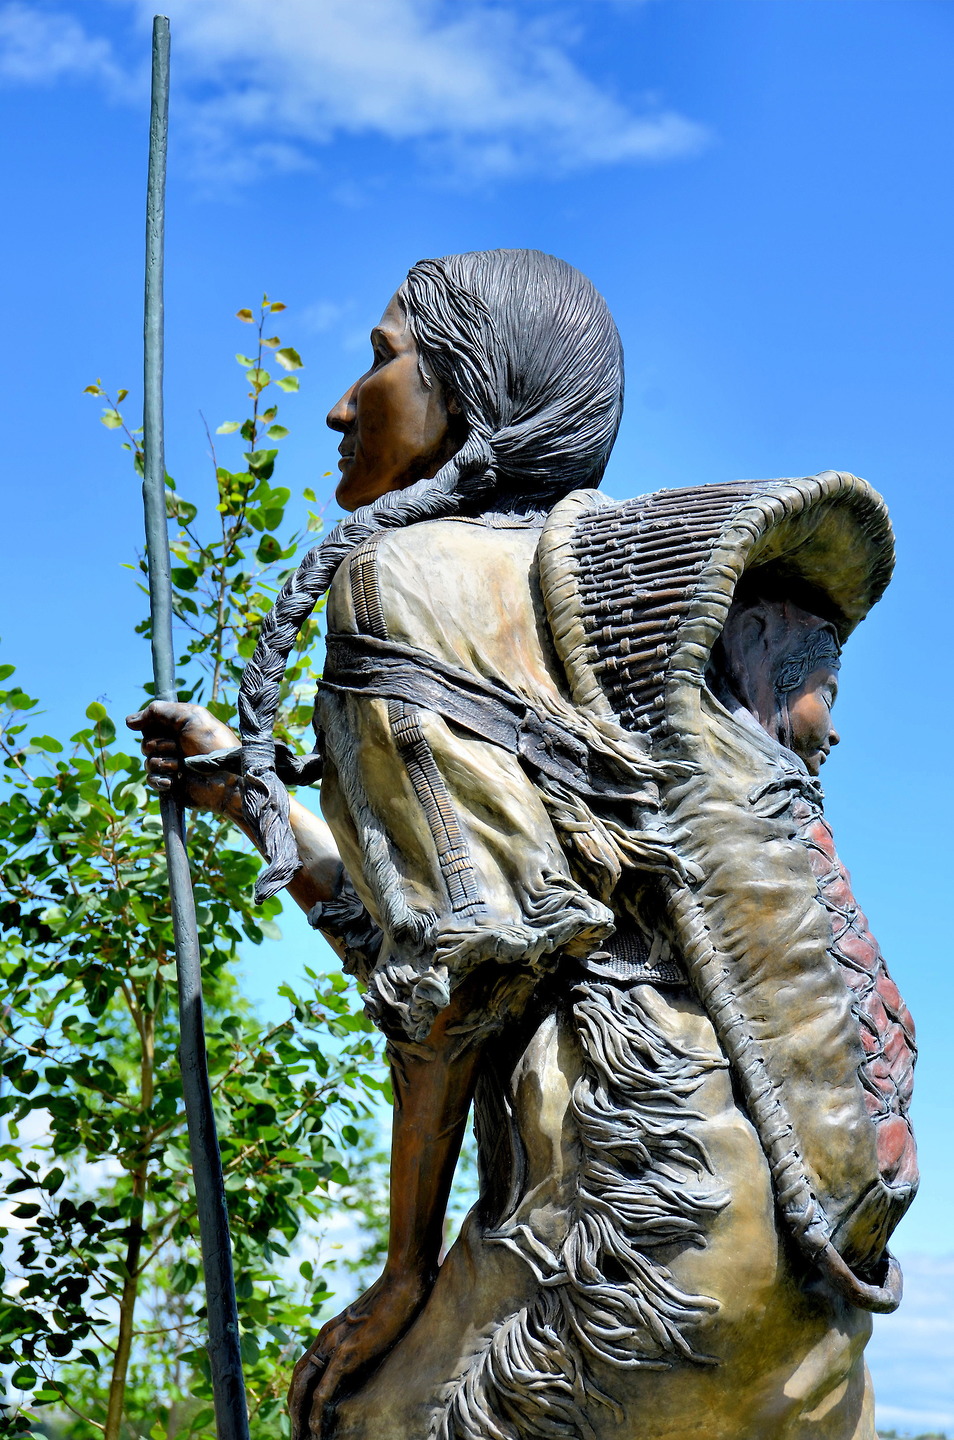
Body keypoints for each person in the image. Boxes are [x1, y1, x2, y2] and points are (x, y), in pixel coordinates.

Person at [129, 250, 915, 1440]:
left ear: (470, 390)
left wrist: (404, 1274)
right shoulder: (577, 596)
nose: (344, 402)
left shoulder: (404, 582)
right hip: (797, 1241)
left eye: (383, 356)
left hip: (633, 1229)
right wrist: (253, 795)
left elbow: (458, 975)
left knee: (347, 1420)